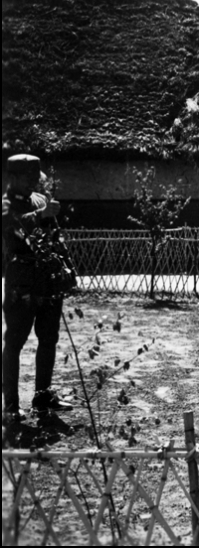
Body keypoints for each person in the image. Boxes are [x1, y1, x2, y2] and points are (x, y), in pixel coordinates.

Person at [2, 154, 73, 423]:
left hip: (47, 280)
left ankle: (42, 398)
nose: (34, 181)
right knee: (15, 342)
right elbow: (13, 226)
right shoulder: (6, 205)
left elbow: (56, 236)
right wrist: (40, 215)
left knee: (48, 338)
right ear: (13, 178)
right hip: (21, 283)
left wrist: (67, 267)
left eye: (36, 176)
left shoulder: (40, 200)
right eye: (28, 177)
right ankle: (10, 405)